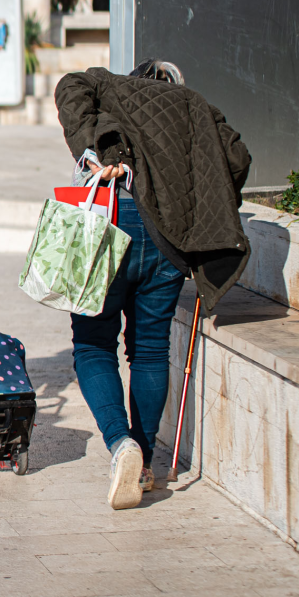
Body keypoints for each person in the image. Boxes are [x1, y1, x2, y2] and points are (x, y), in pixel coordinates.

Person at [55, 59, 251, 510]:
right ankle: (143, 466)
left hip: (111, 218)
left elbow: (70, 86)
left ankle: (122, 444)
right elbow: (238, 158)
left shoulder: (110, 87)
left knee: (92, 345)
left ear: (135, 80)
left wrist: (94, 148)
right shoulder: (195, 107)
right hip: (167, 238)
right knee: (150, 349)